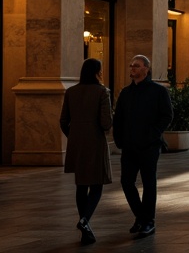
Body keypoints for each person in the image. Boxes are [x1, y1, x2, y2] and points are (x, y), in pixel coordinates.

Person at [114, 54, 173, 238]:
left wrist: (152, 134)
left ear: (146, 69)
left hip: (149, 146)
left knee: (149, 183)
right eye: (131, 65)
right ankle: (141, 216)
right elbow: (119, 118)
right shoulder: (126, 93)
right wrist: (120, 140)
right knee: (126, 182)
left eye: (137, 66)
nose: (132, 68)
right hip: (129, 146)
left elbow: (167, 116)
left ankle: (148, 222)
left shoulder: (158, 91)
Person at [60, 58, 112, 245]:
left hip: (76, 143)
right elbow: (106, 122)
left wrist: (74, 135)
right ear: (97, 72)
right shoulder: (102, 92)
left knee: (81, 185)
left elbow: (63, 121)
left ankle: (86, 232)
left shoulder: (71, 92)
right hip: (95, 142)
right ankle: (85, 221)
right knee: (97, 185)